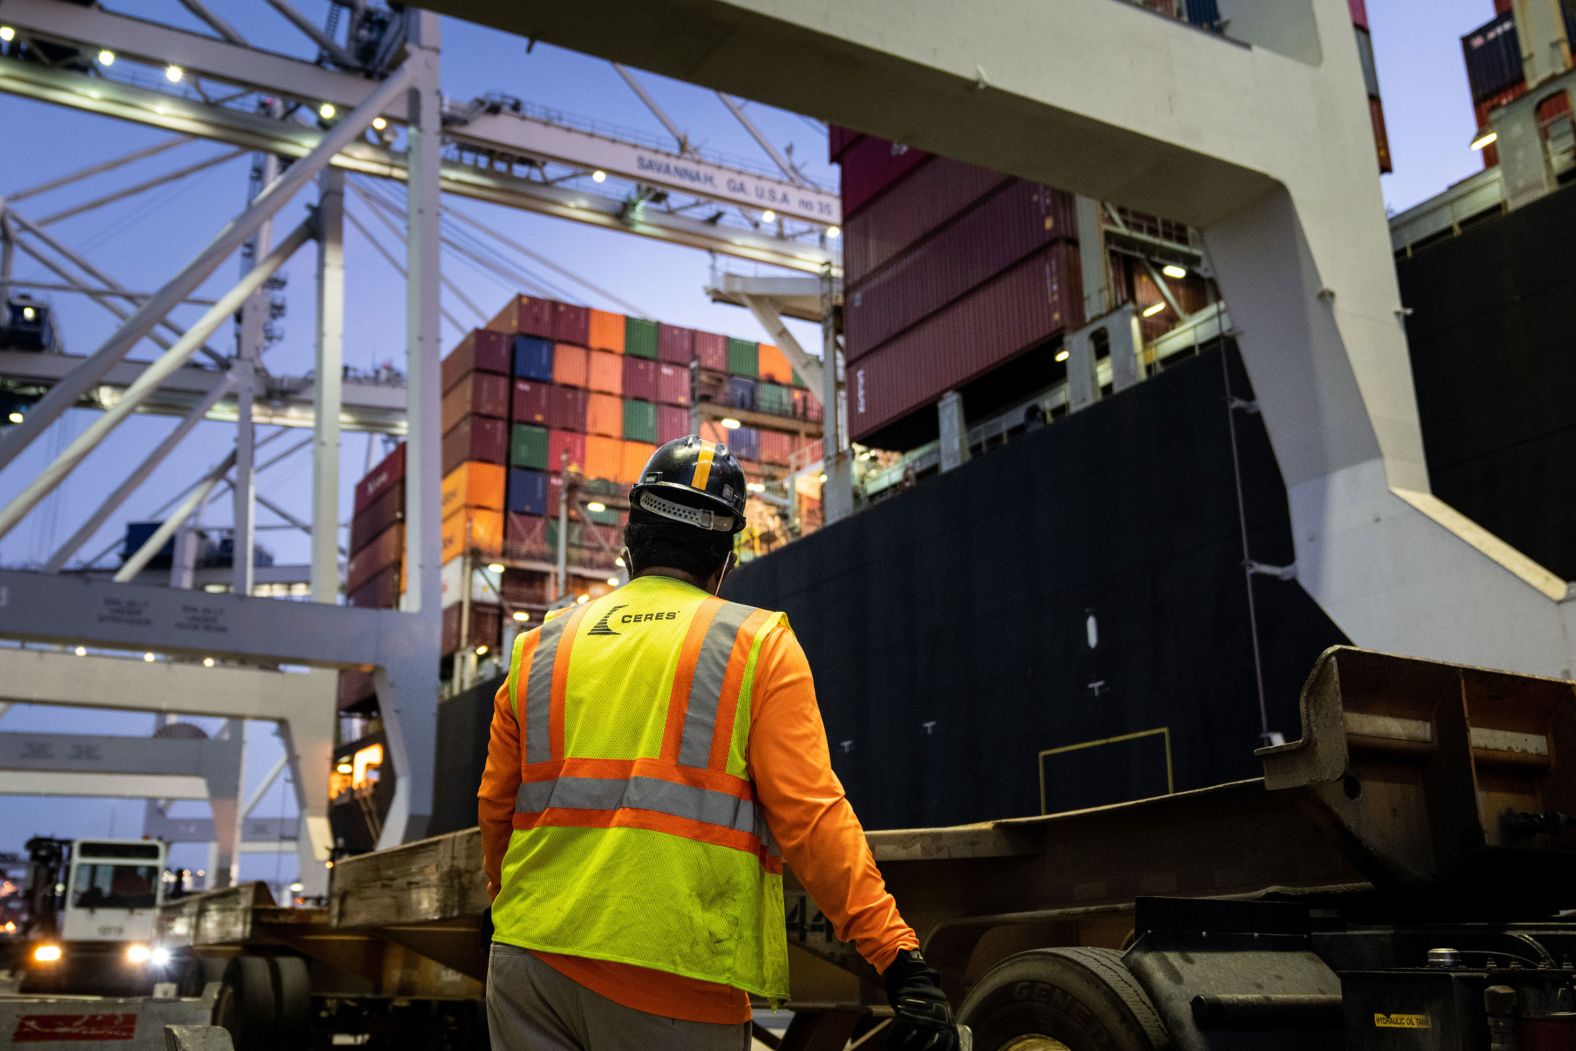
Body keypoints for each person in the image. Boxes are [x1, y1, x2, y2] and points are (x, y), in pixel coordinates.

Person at [479, 435, 958, 1050]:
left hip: (526, 967)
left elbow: (497, 807)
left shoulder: (542, 648)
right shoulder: (755, 646)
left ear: (630, 542)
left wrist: (516, 909)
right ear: (725, 559)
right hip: (670, 977)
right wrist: (897, 957)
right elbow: (812, 818)